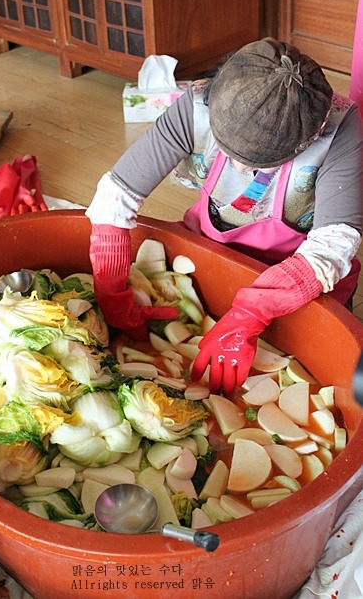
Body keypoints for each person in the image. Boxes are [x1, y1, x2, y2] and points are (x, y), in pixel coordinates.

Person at [86, 38, 363, 394]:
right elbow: (117, 193)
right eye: (228, 150)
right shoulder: (197, 102)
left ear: (305, 143)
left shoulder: (341, 131)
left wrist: (250, 313)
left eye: (257, 164)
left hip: (302, 275)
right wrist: (110, 286)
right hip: (214, 244)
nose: (238, 167)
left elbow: (333, 245)